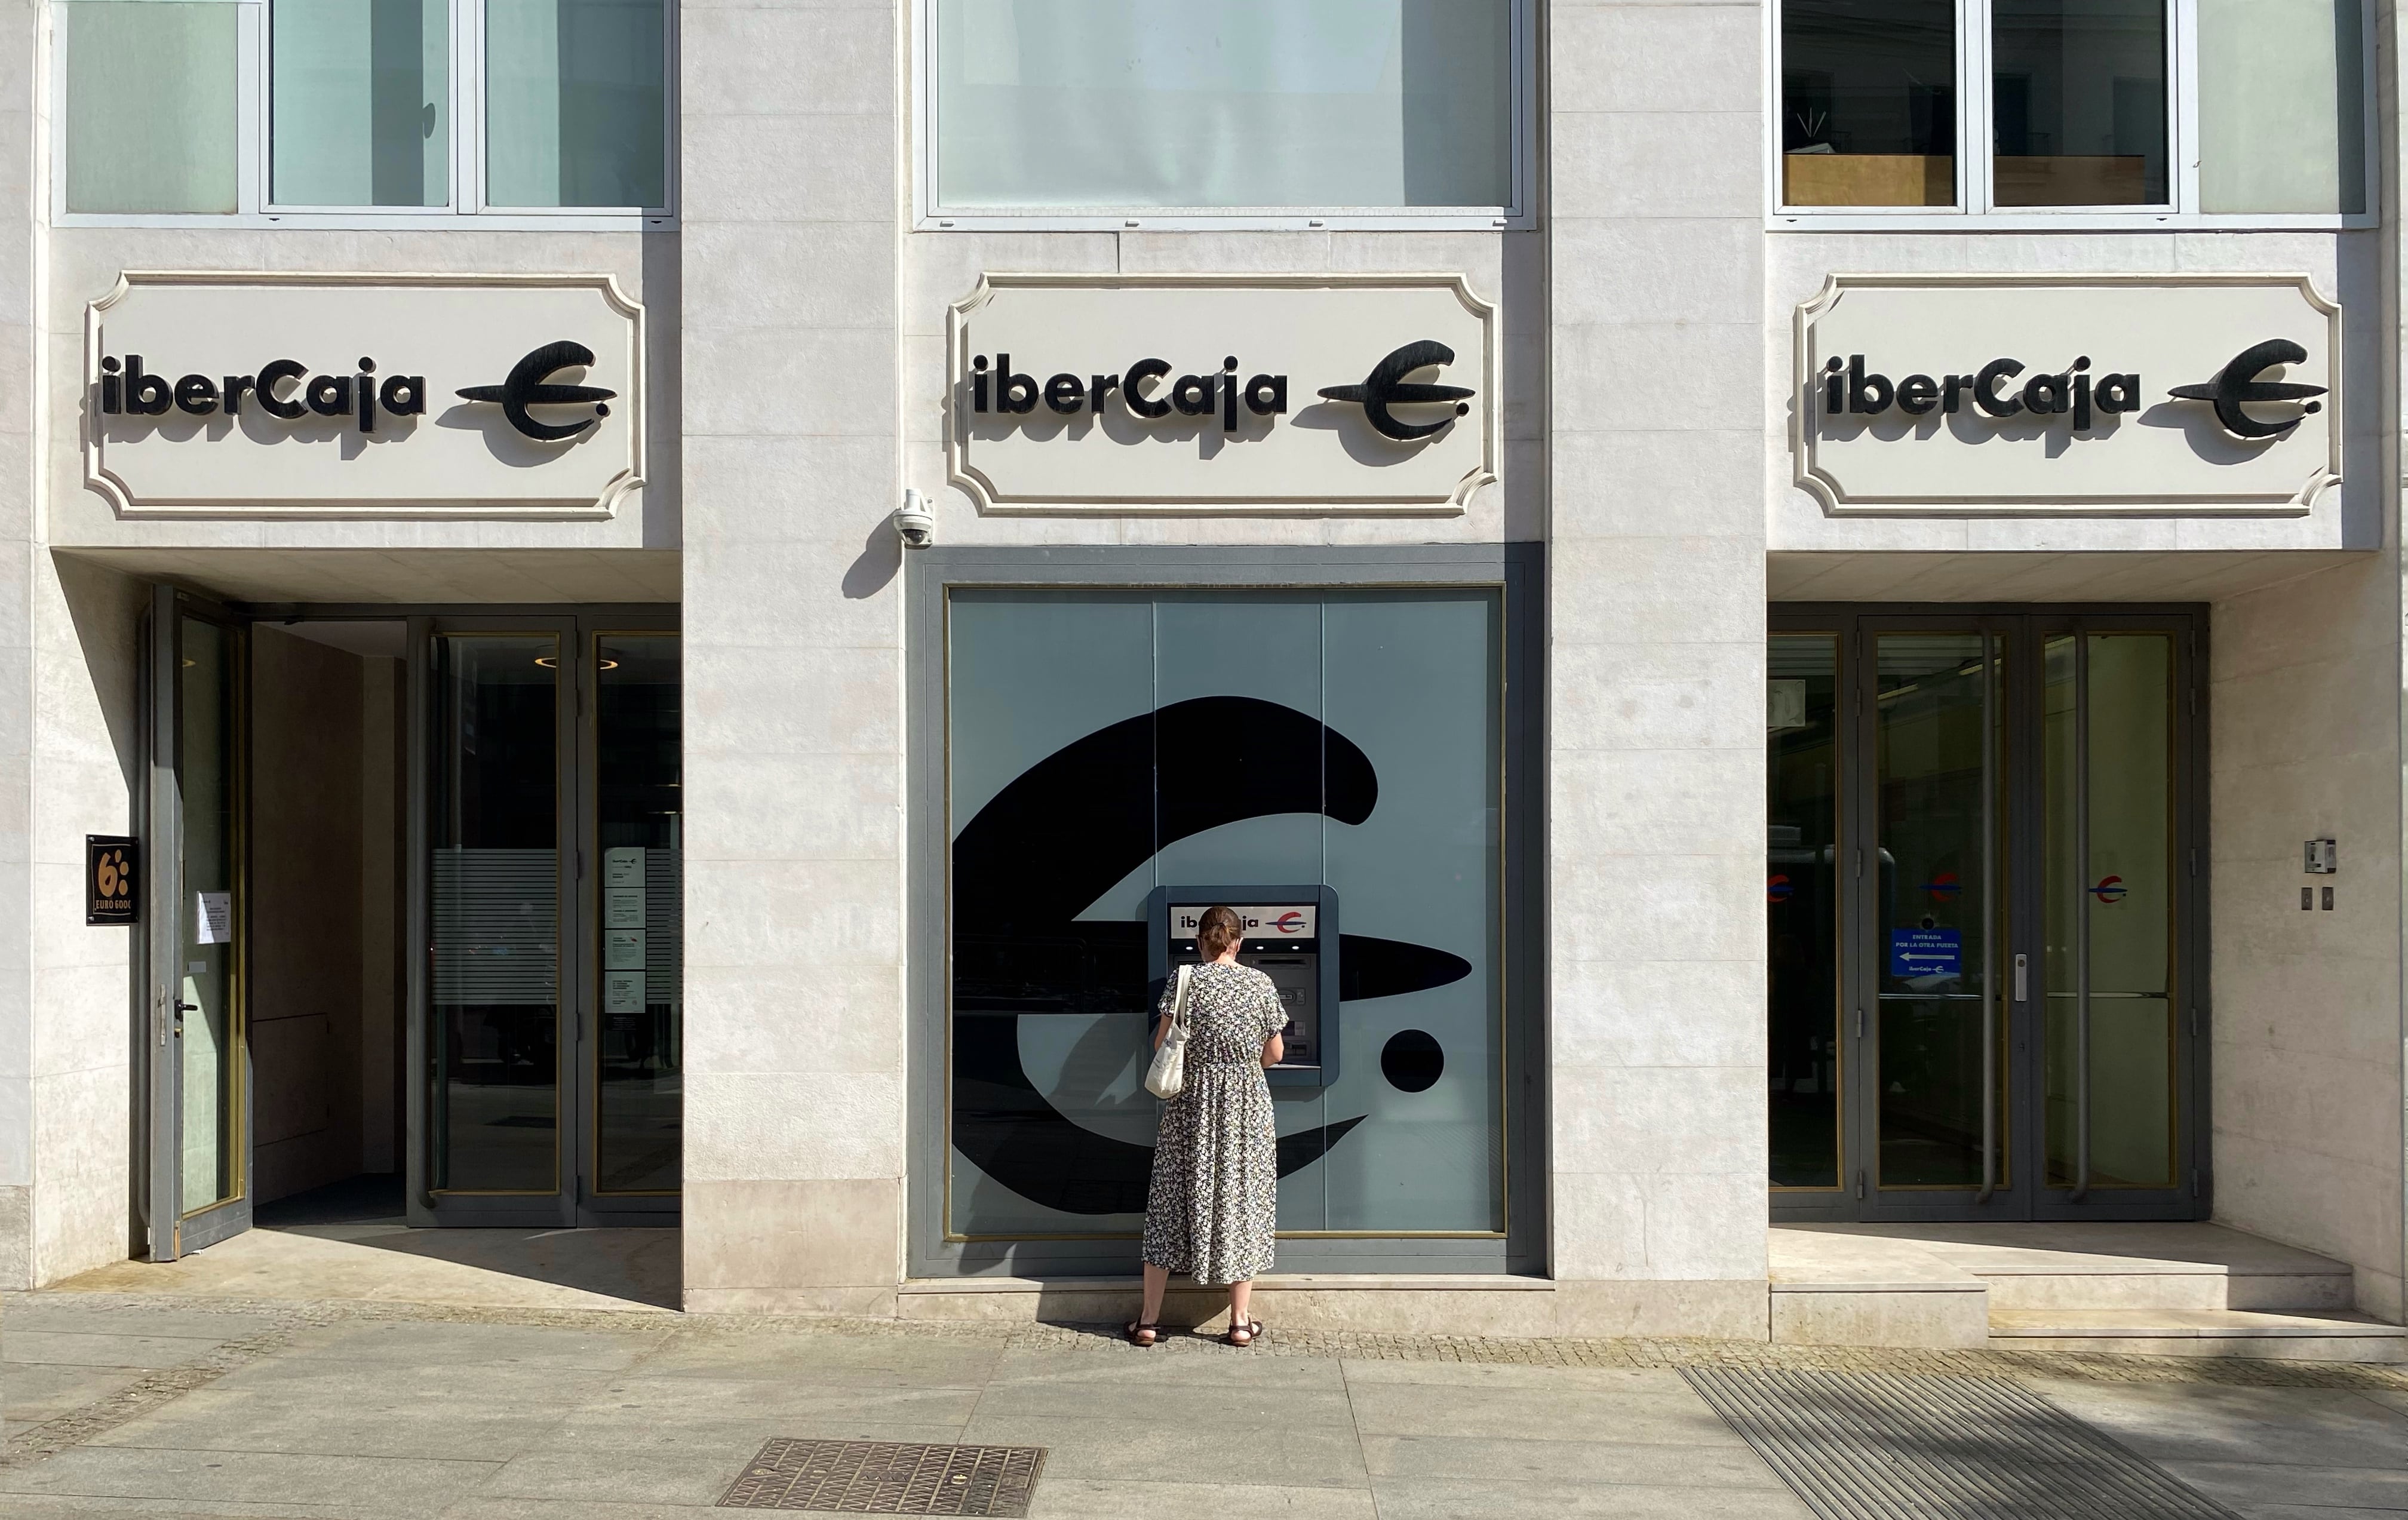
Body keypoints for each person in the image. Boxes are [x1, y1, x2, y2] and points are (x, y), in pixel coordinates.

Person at [1128, 904, 1286, 1347]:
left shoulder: (1184, 981)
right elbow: (1275, 1053)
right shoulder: (1261, 984)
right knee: (1242, 1200)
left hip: (1190, 1105)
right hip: (1246, 1109)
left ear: (1200, 942)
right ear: (1238, 942)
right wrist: (1238, 1069)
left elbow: (1162, 1043)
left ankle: (1148, 1320)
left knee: (1169, 1203)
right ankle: (1238, 1322)